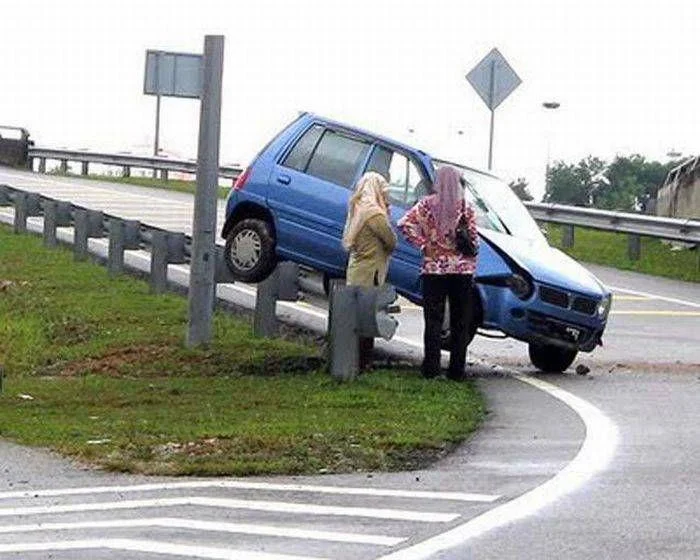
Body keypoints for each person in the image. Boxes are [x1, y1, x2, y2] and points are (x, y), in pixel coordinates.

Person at [398, 165, 478, 380]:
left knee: (433, 319)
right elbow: (473, 239)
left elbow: (404, 224)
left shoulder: (425, 206)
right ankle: (457, 371)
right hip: (461, 271)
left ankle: (431, 368)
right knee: (460, 321)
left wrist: (423, 244)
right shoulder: (466, 207)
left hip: (433, 268)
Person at [342, 171, 397, 370]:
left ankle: (353, 360)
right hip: (371, 271)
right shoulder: (374, 213)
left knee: (356, 317)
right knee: (368, 318)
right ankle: (364, 362)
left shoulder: (357, 208)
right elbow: (391, 240)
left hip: (356, 268)